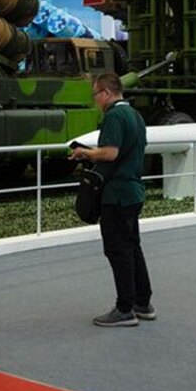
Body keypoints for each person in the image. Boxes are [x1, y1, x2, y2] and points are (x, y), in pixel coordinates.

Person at [69, 72, 153, 327]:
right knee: (132, 247)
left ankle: (124, 308)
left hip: (116, 194)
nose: (95, 100)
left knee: (118, 251)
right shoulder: (135, 115)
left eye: (95, 94)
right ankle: (142, 302)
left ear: (106, 92)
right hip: (133, 192)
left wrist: (85, 153)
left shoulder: (114, 116)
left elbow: (110, 153)